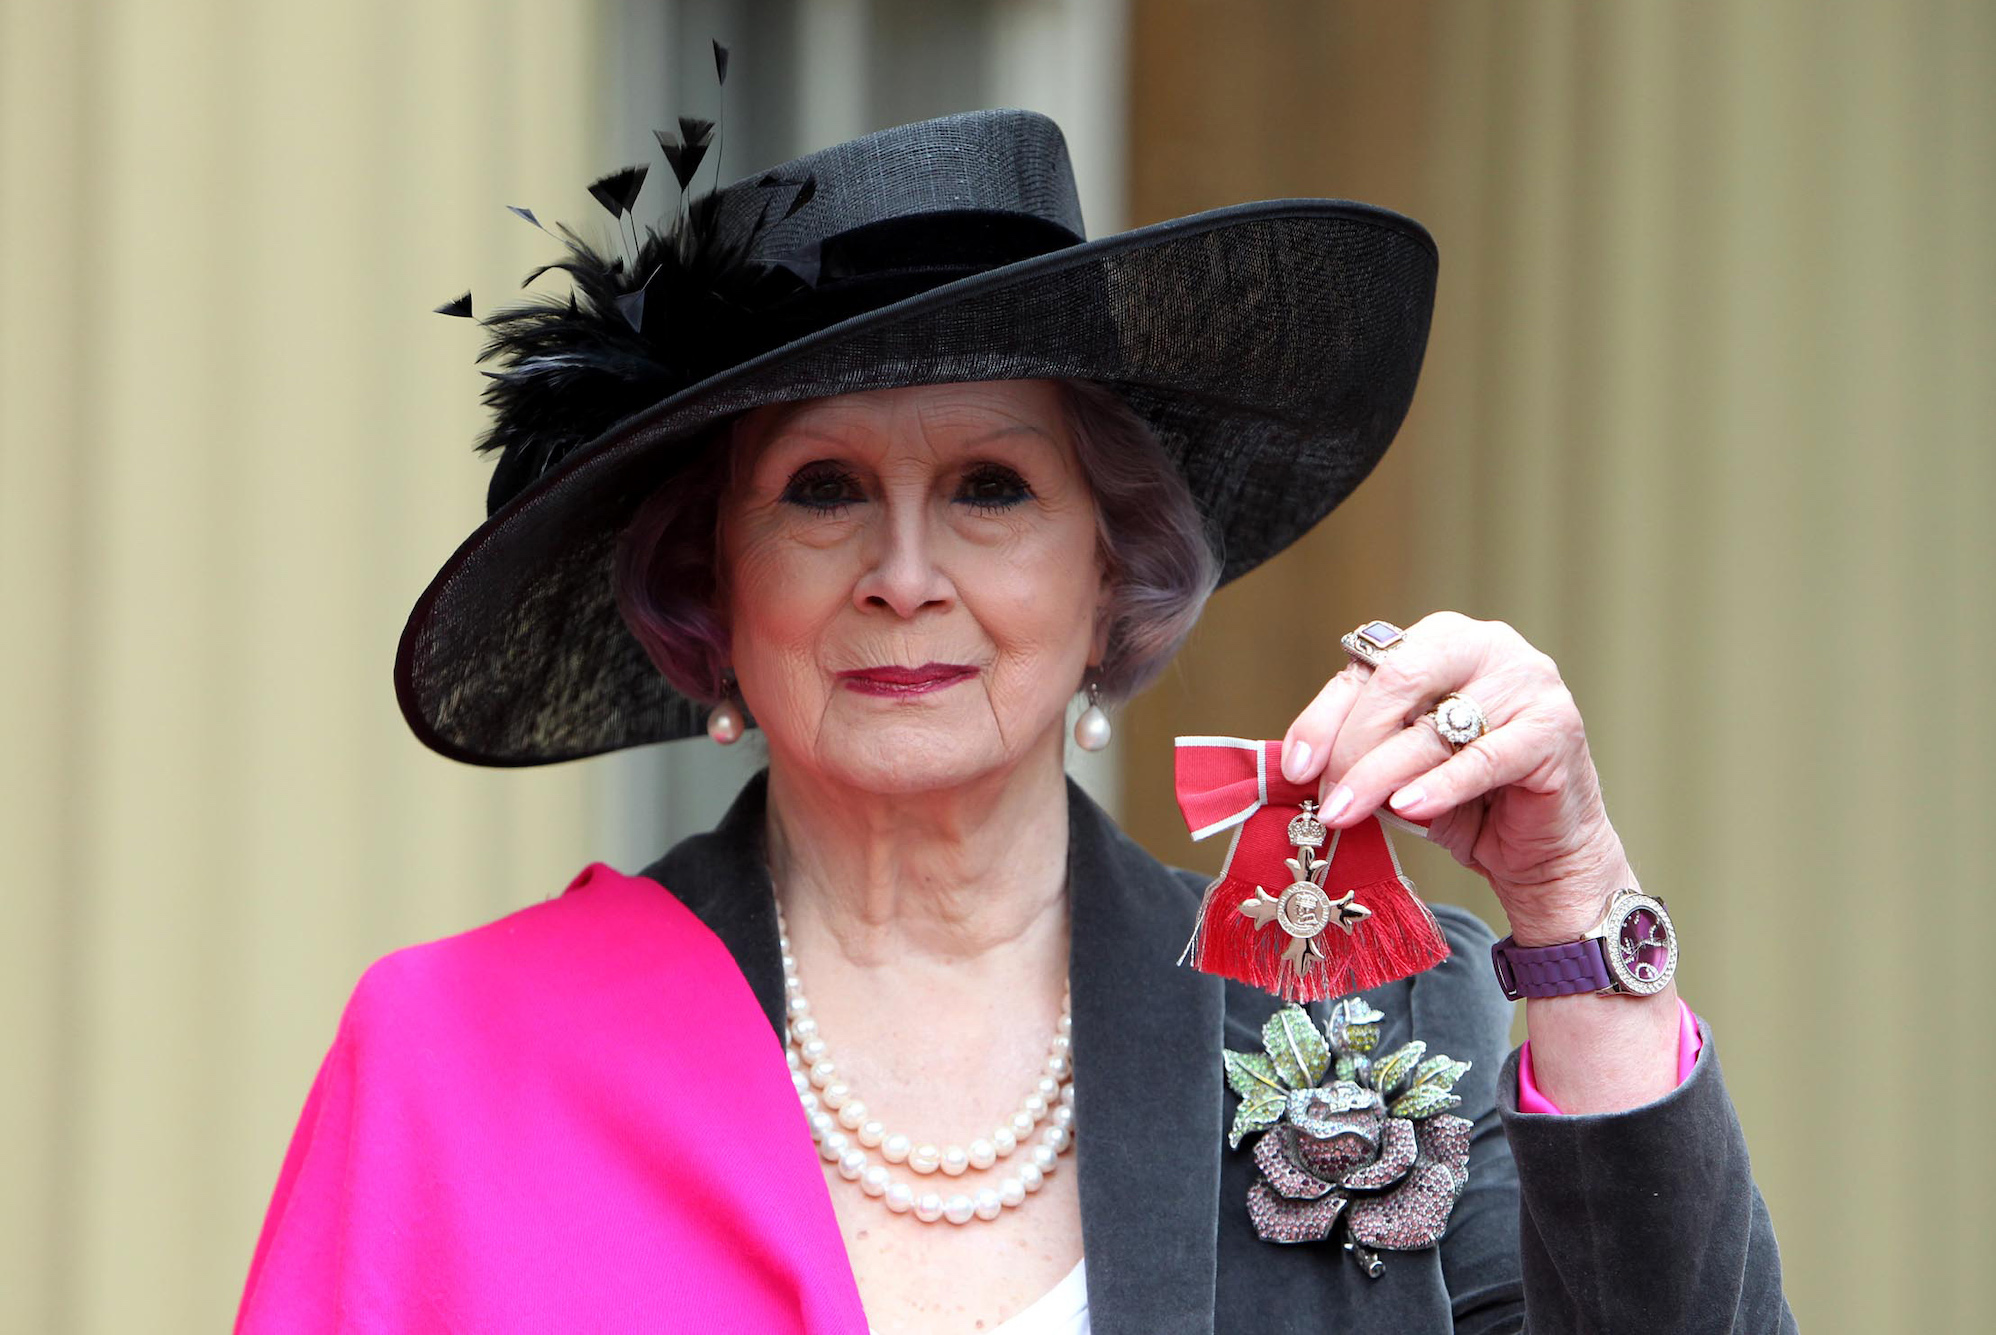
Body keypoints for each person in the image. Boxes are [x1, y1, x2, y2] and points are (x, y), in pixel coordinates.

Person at [236, 105, 1795, 1334]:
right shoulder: (459, 1065)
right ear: (713, 588)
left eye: (991, 487)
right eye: (823, 490)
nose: (905, 575)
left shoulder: (1378, 1028)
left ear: (1109, 568)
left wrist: (1571, 908)